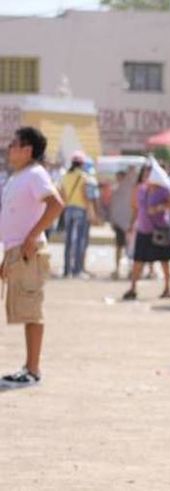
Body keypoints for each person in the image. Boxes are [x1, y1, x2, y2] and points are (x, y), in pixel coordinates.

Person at [0, 127, 64, 389]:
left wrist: (31, 237)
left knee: (31, 310)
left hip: (29, 251)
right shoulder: (18, 176)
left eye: (14, 144)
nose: (9, 148)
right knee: (23, 309)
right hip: (14, 251)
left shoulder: (36, 174)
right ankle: (28, 367)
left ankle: (33, 369)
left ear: (27, 150)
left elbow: (56, 204)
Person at [122, 164, 170, 301]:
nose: (146, 176)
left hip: (160, 229)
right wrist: (132, 223)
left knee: (164, 260)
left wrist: (159, 208)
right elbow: (135, 208)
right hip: (143, 229)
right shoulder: (140, 190)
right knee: (138, 260)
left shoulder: (164, 190)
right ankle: (133, 288)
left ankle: (167, 288)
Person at [59, 151, 93, 278]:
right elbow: (85, 195)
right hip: (80, 209)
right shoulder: (84, 176)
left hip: (68, 209)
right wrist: (90, 211)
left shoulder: (65, 176)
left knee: (68, 241)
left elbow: (61, 194)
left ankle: (66, 270)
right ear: (82, 164)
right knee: (79, 240)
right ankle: (77, 270)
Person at [108, 168, 137, 280]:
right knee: (119, 247)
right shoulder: (116, 190)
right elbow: (113, 206)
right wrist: (113, 220)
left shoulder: (131, 189)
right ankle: (117, 269)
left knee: (129, 248)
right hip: (119, 223)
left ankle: (130, 270)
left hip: (129, 222)